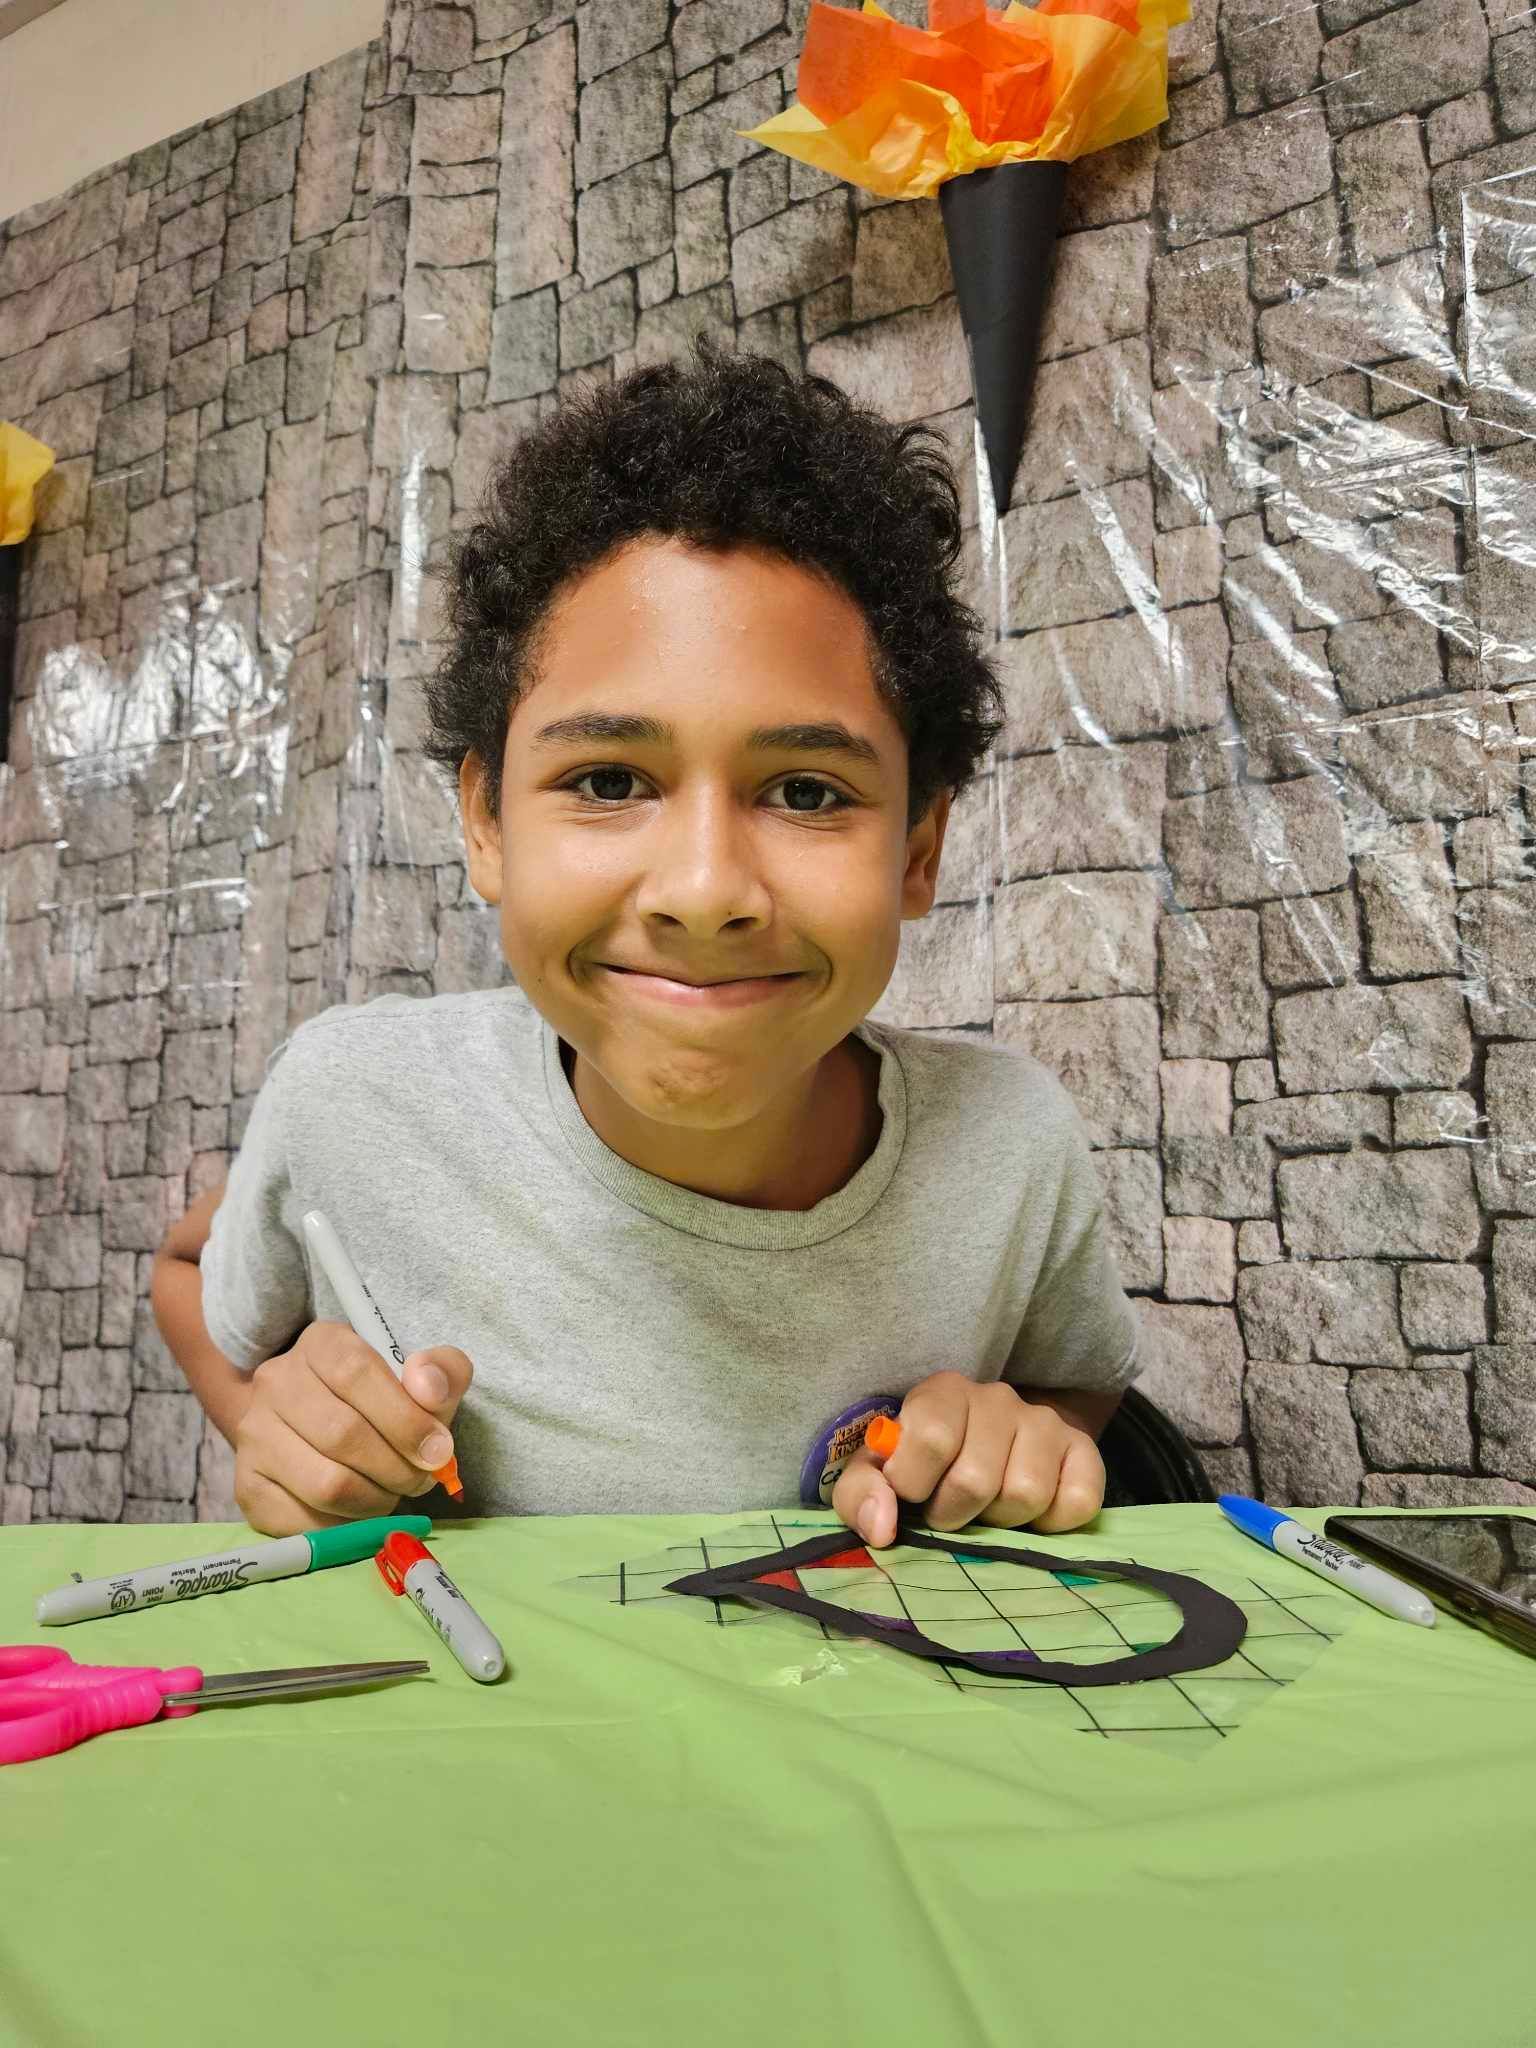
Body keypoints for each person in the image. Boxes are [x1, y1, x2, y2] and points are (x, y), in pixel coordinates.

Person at [152, 340, 1142, 1548]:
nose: (705, 889)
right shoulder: (354, 1100)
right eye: (610, 777)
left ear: (919, 850)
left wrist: (1021, 1432)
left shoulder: (1011, 1150)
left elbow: (1073, 1381)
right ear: (488, 820)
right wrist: (272, 1419)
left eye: (812, 792)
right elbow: (191, 1279)